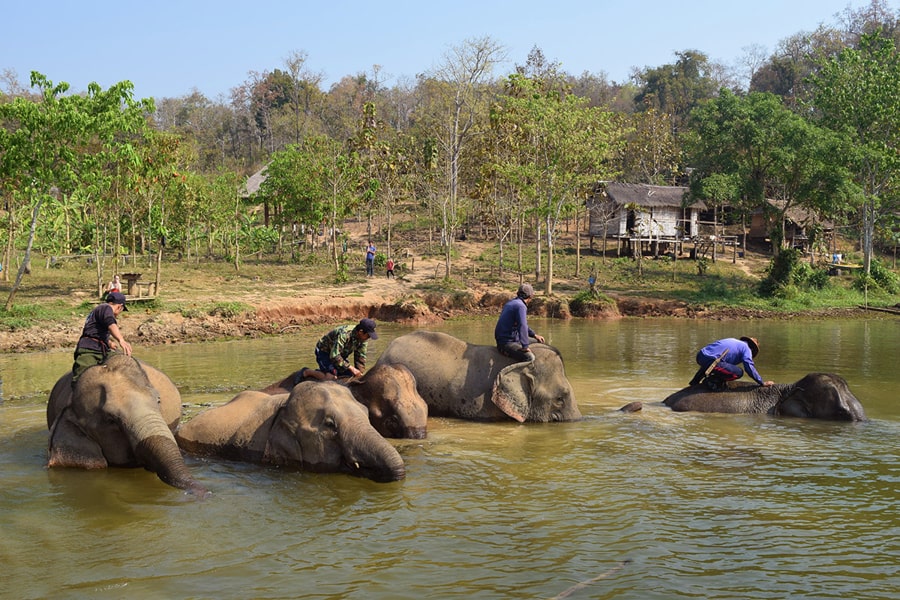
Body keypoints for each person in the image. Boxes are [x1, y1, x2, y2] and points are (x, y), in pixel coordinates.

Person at [71, 291, 133, 387]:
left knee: (120, 359)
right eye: (121, 310)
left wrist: (109, 342)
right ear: (119, 307)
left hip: (102, 349)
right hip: (89, 350)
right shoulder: (106, 308)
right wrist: (121, 340)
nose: (118, 314)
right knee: (82, 378)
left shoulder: (99, 311)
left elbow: (94, 331)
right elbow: (110, 323)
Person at [688, 336, 774, 391]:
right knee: (738, 372)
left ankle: (695, 381)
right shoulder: (746, 348)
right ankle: (712, 381)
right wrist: (761, 382)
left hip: (700, 356)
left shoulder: (733, 340)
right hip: (711, 361)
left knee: (716, 364)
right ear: (752, 349)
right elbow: (748, 366)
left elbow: (711, 357)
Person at [494, 283, 545, 362]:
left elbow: (521, 324)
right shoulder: (520, 306)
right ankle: (510, 373)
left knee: (539, 341)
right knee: (530, 358)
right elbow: (522, 325)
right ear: (531, 296)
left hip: (510, 338)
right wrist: (525, 346)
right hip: (506, 343)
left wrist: (534, 335)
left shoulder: (512, 302)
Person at [314, 318, 379, 378]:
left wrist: (359, 373)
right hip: (324, 351)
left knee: (349, 375)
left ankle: (325, 370)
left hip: (339, 354)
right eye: (368, 336)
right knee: (332, 377)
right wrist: (351, 368)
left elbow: (360, 357)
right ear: (360, 332)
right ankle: (307, 372)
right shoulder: (344, 334)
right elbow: (334, 355)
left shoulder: (363, 340)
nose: (369, 338)